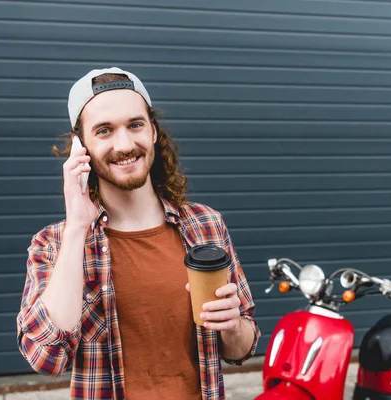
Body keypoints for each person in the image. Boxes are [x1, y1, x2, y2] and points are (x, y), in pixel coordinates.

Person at [16, 67, 260, 400]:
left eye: (135, 125)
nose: (125, 144)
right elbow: (46, 358)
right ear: (80, 146)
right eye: (104, 130)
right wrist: (76, 227)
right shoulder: (54, 244)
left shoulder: (206, 225)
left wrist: (232, 326)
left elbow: (241, 349)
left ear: (154, 132)